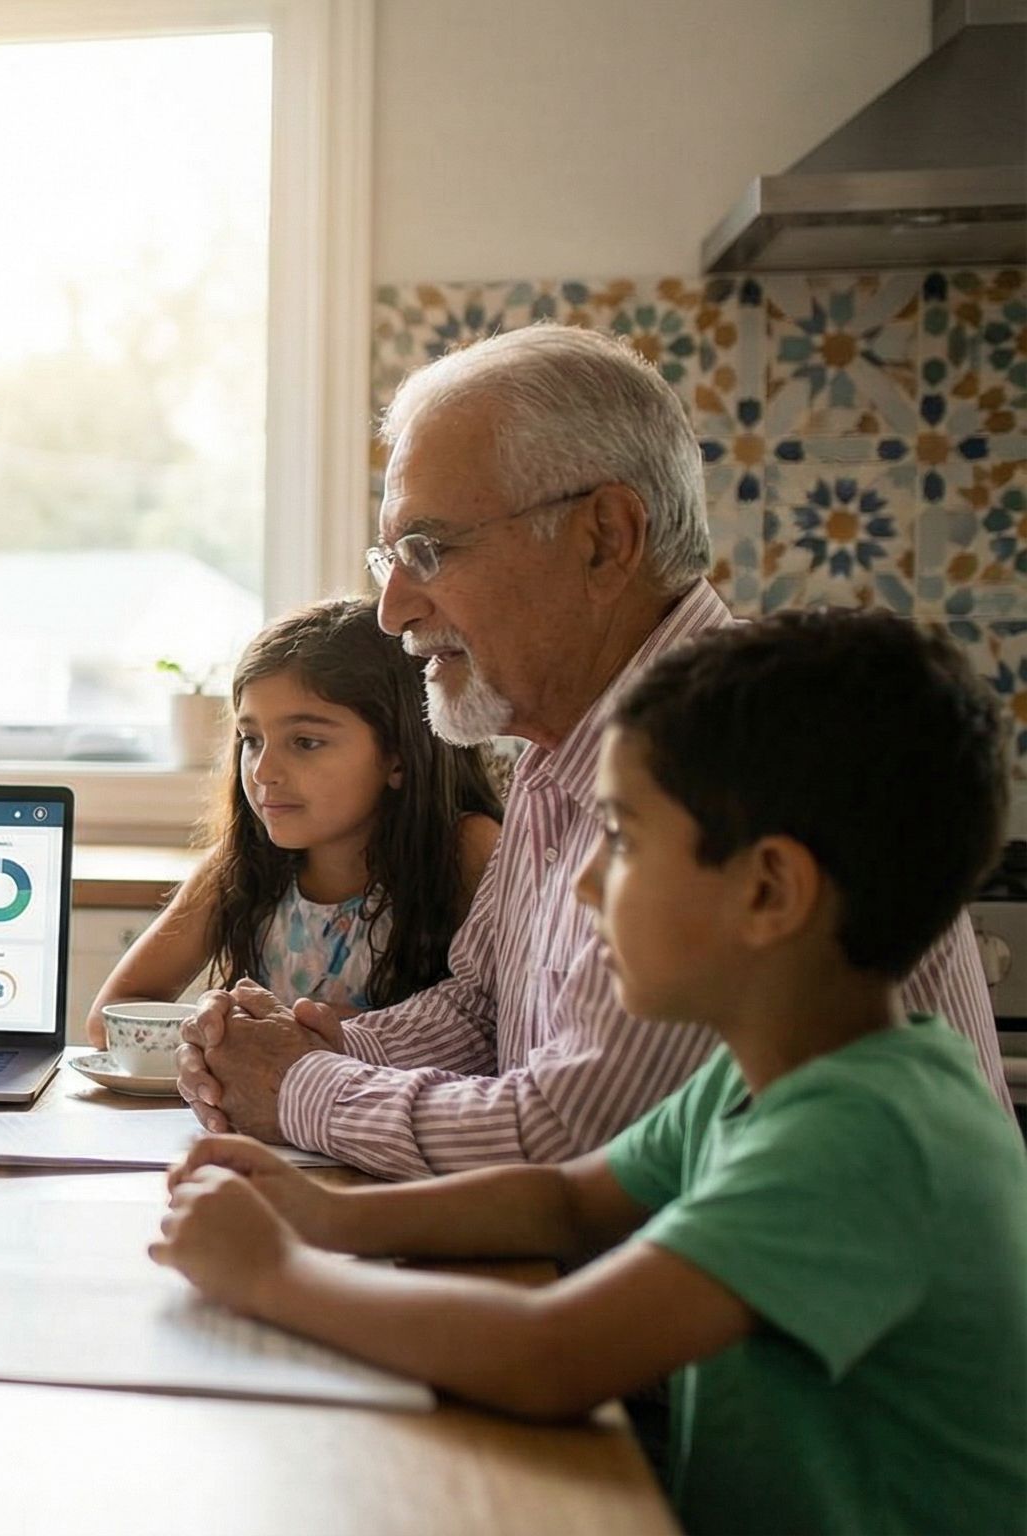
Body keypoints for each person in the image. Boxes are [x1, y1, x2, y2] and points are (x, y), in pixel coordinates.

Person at [153, 609, 1027, 1536]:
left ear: (769, 891)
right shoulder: (763, 1078)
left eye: (623, 839)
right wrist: (321, 1209)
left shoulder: (860, 1137)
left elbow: (553, 1355)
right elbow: (566, 1200)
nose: (581, 885)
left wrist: (276, 1276)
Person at [176, 324, 1006, 1176]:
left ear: (605, 537)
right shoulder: (560, 734)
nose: (392, 610)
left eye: (428, 550)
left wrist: (302, 1087)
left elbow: (573, 1137)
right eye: (390, 556)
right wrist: (326, 1042)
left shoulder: (741, 754)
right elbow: (487, 1009)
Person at [86, 598, 501, 1043]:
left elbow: (502, 1033)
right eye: (252, 739)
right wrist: (221, 1029)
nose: (263, 772)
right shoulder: (240, 865)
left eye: (305, 742)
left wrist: (333, 1032)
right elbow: (106, 1021)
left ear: (398, 757)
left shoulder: (467, 851)